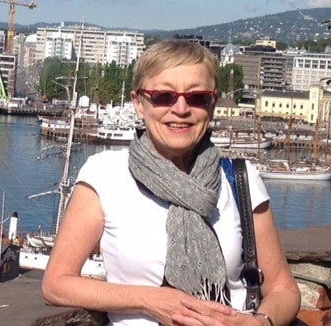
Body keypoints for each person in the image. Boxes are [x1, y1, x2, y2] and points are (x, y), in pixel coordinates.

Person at [42, 39, 301, 326]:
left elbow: (283, 289)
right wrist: (151, 300)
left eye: (197, 97)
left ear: (212, 104)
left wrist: (259, 322)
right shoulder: (105, 176)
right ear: (139, 103)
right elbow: (56, 283)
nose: (180, 109)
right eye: (164, 96)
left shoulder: (240, 179)